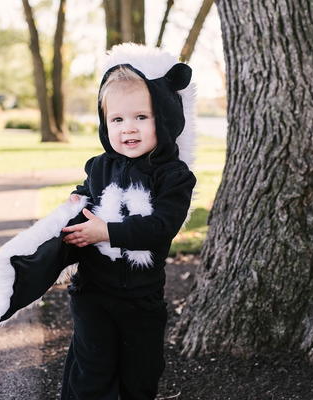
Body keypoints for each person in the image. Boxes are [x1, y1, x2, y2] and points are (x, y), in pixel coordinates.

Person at [58, 43, 197, 400]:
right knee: (92, 371)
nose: (128, 129)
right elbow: (87, 190)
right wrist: (77, 199)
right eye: (117, 119)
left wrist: (106, 231)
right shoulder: (100, 165)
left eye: (141, 117)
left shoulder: (174, 176)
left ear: (163, 116)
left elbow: (161, 227)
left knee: (141, 375)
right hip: (93, 293)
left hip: (141, 299)